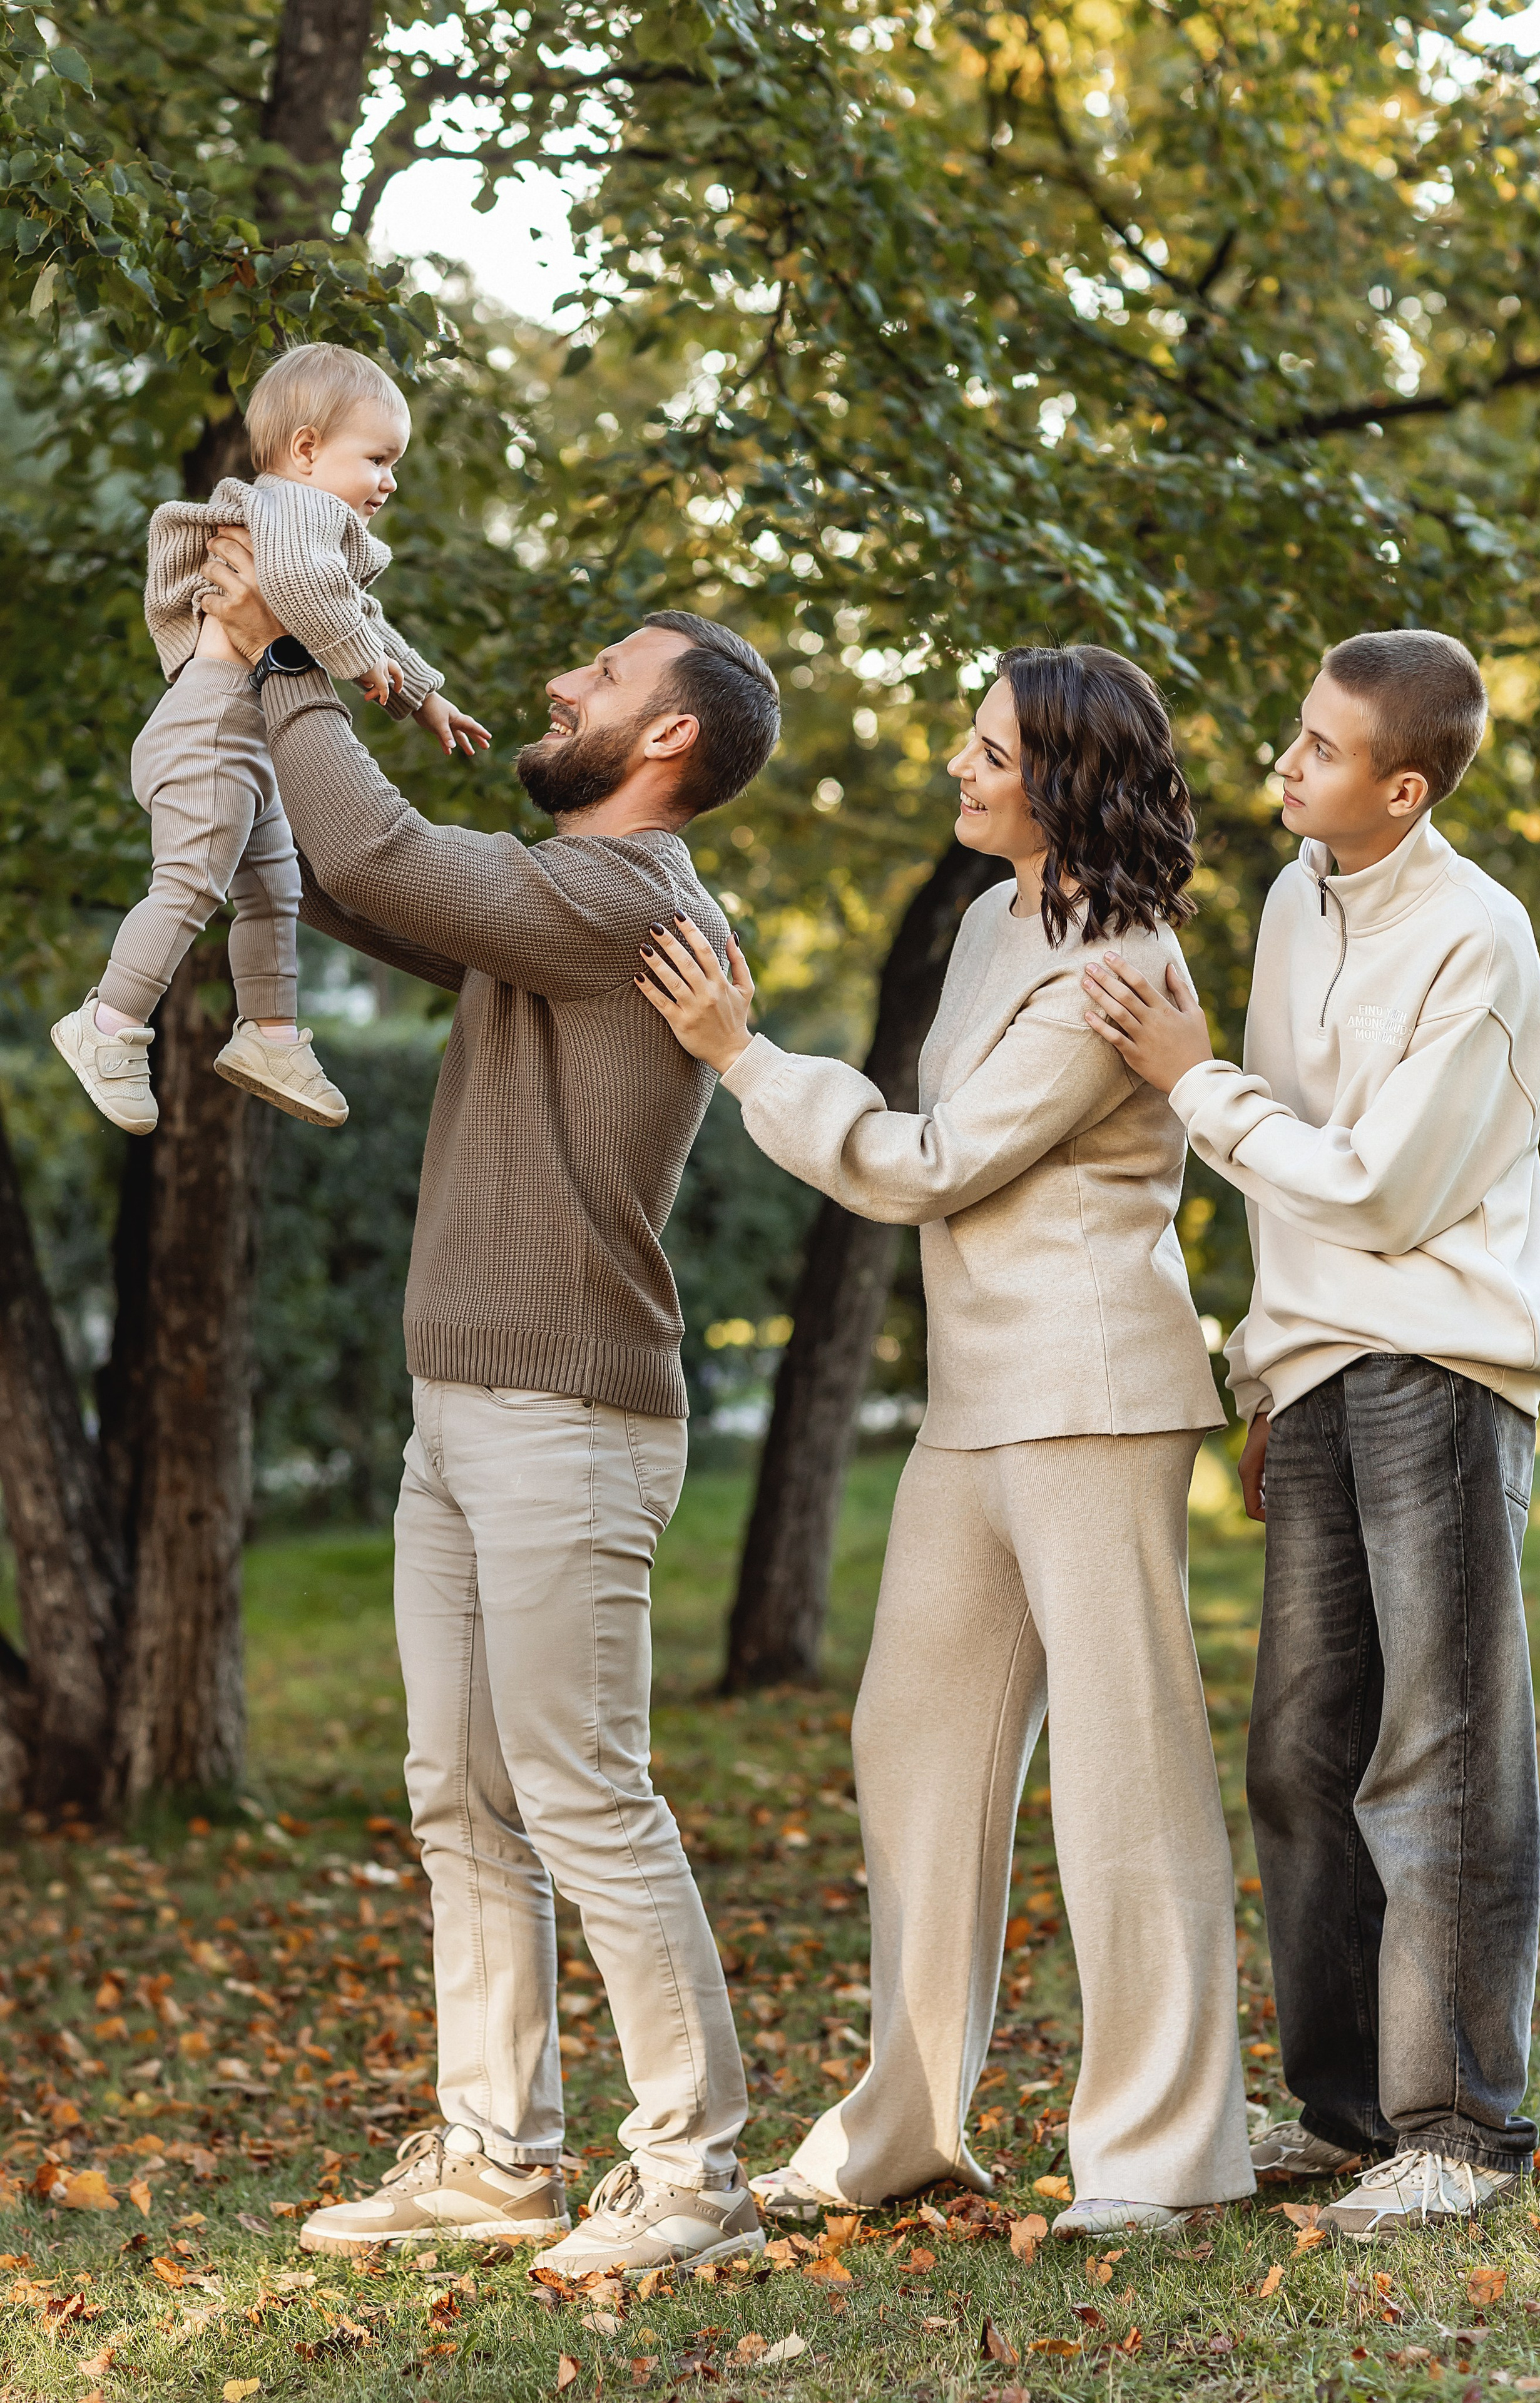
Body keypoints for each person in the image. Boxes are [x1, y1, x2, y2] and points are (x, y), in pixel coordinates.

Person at [199, 531, 781, 2275]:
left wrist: (288, 653)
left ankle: (695, 2182)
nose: (561, 685)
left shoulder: (637, 904)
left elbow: (376, 842)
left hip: (567, 1422)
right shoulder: (559, 912)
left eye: (600, 676)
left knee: (586, 1793)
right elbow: (374, 884)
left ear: (666, 740)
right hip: (462, 1406)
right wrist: (284, 696)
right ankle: (498, 2152)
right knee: (459, 1791)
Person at [638, 644, 1255, 2234]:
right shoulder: (995, 920)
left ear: (1061, 779)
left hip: (1092, 1391)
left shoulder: (1117, 959)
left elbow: (935, 1164)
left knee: (1124, 1770)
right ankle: (901, 2130)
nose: (957, 770)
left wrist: (740, 1056)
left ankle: (1159, 2152)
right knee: (909, 1741)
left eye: (986, 751)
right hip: (979, 1400)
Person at [1081, 629, 1540, 2238]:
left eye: (1317, 750)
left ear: (1401, 785)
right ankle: (1353, 2113)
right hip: (1316, 1365)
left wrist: (1189, 1078)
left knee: (1435, 1749)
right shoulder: (1297, 894)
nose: (1282, 766)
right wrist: (1265, 1368)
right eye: (1292, 734)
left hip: (1433, 1365)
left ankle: (1454, 2126)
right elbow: (1295, 1178)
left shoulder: (1475, 939)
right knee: (1298, 1751)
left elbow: (1378, 1187)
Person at [51, 342, 487, 1136]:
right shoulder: (291, 508)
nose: (389, 481)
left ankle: (271, 1036)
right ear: (308, 449)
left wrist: (426, 696)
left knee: (274, 889)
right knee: (189, 884)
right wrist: (359, 665)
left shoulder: (307, 521)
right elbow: (301, 593)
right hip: (215, 724)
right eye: (379, 459)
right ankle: (108, 1022)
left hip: (239, 737)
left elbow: (363, 613)